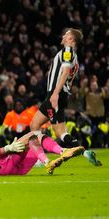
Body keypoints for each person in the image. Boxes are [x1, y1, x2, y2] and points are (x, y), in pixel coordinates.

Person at [29, 28, 102, 166]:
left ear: (71, 40)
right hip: (59, 94)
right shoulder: (74, 56)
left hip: (56, 94)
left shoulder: (68, 51)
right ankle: (41, 158)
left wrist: (55, 93)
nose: (63, 36)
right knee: (34, 124)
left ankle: (79, 152)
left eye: (66, 34)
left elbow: (66, 71)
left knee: (60, 133)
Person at [0, 124, 84, 175]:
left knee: (36, 140)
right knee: (34, 134)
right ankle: (62, 151)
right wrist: (7, 148)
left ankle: (48, 163)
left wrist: (8, 149)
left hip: (15, 170)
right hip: (3, 167)